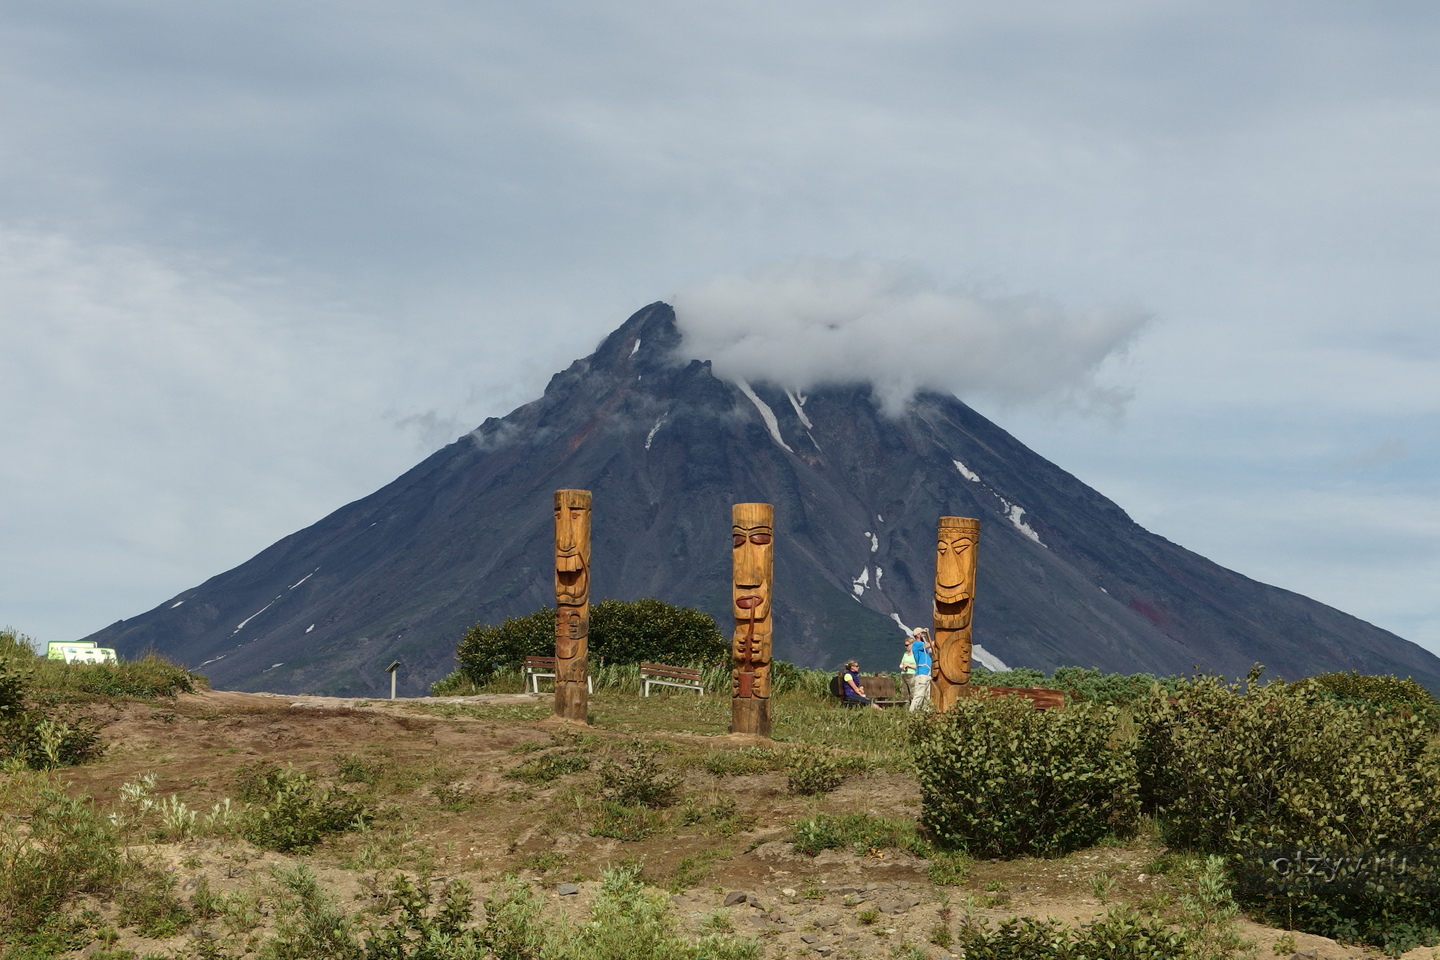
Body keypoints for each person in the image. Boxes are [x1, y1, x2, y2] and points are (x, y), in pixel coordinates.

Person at [907, 628, 933, 711]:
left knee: (927, 697)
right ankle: (912, 714)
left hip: (927, 673)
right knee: (919, 695)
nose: (923, 635)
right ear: (918, 635)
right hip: (921, 673)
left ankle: (925, 715)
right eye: (922, 633)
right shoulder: (916, 644)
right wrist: (938, 640)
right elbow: (929, 645)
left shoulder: (923, 646)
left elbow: (931, 649)